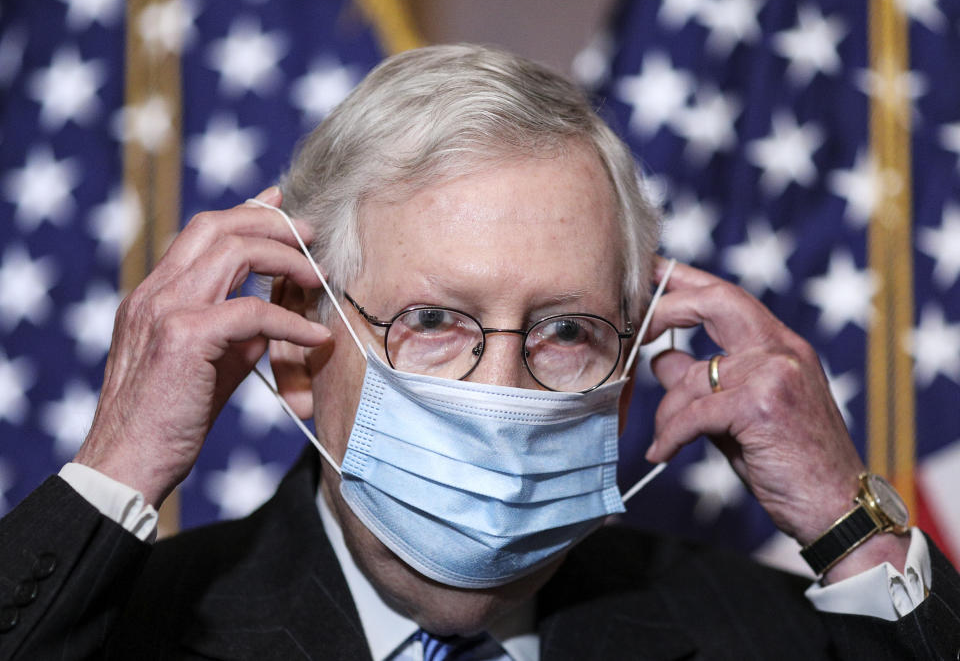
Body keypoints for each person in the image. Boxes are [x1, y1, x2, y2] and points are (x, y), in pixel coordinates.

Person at [0, 44, 957, 660]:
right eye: (433, 321)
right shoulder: (119, 631)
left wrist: (854, 529)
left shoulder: (766, 636)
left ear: (628, 378)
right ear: (297, 347)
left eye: (569, 331)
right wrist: (114, 467)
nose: (501, 391)